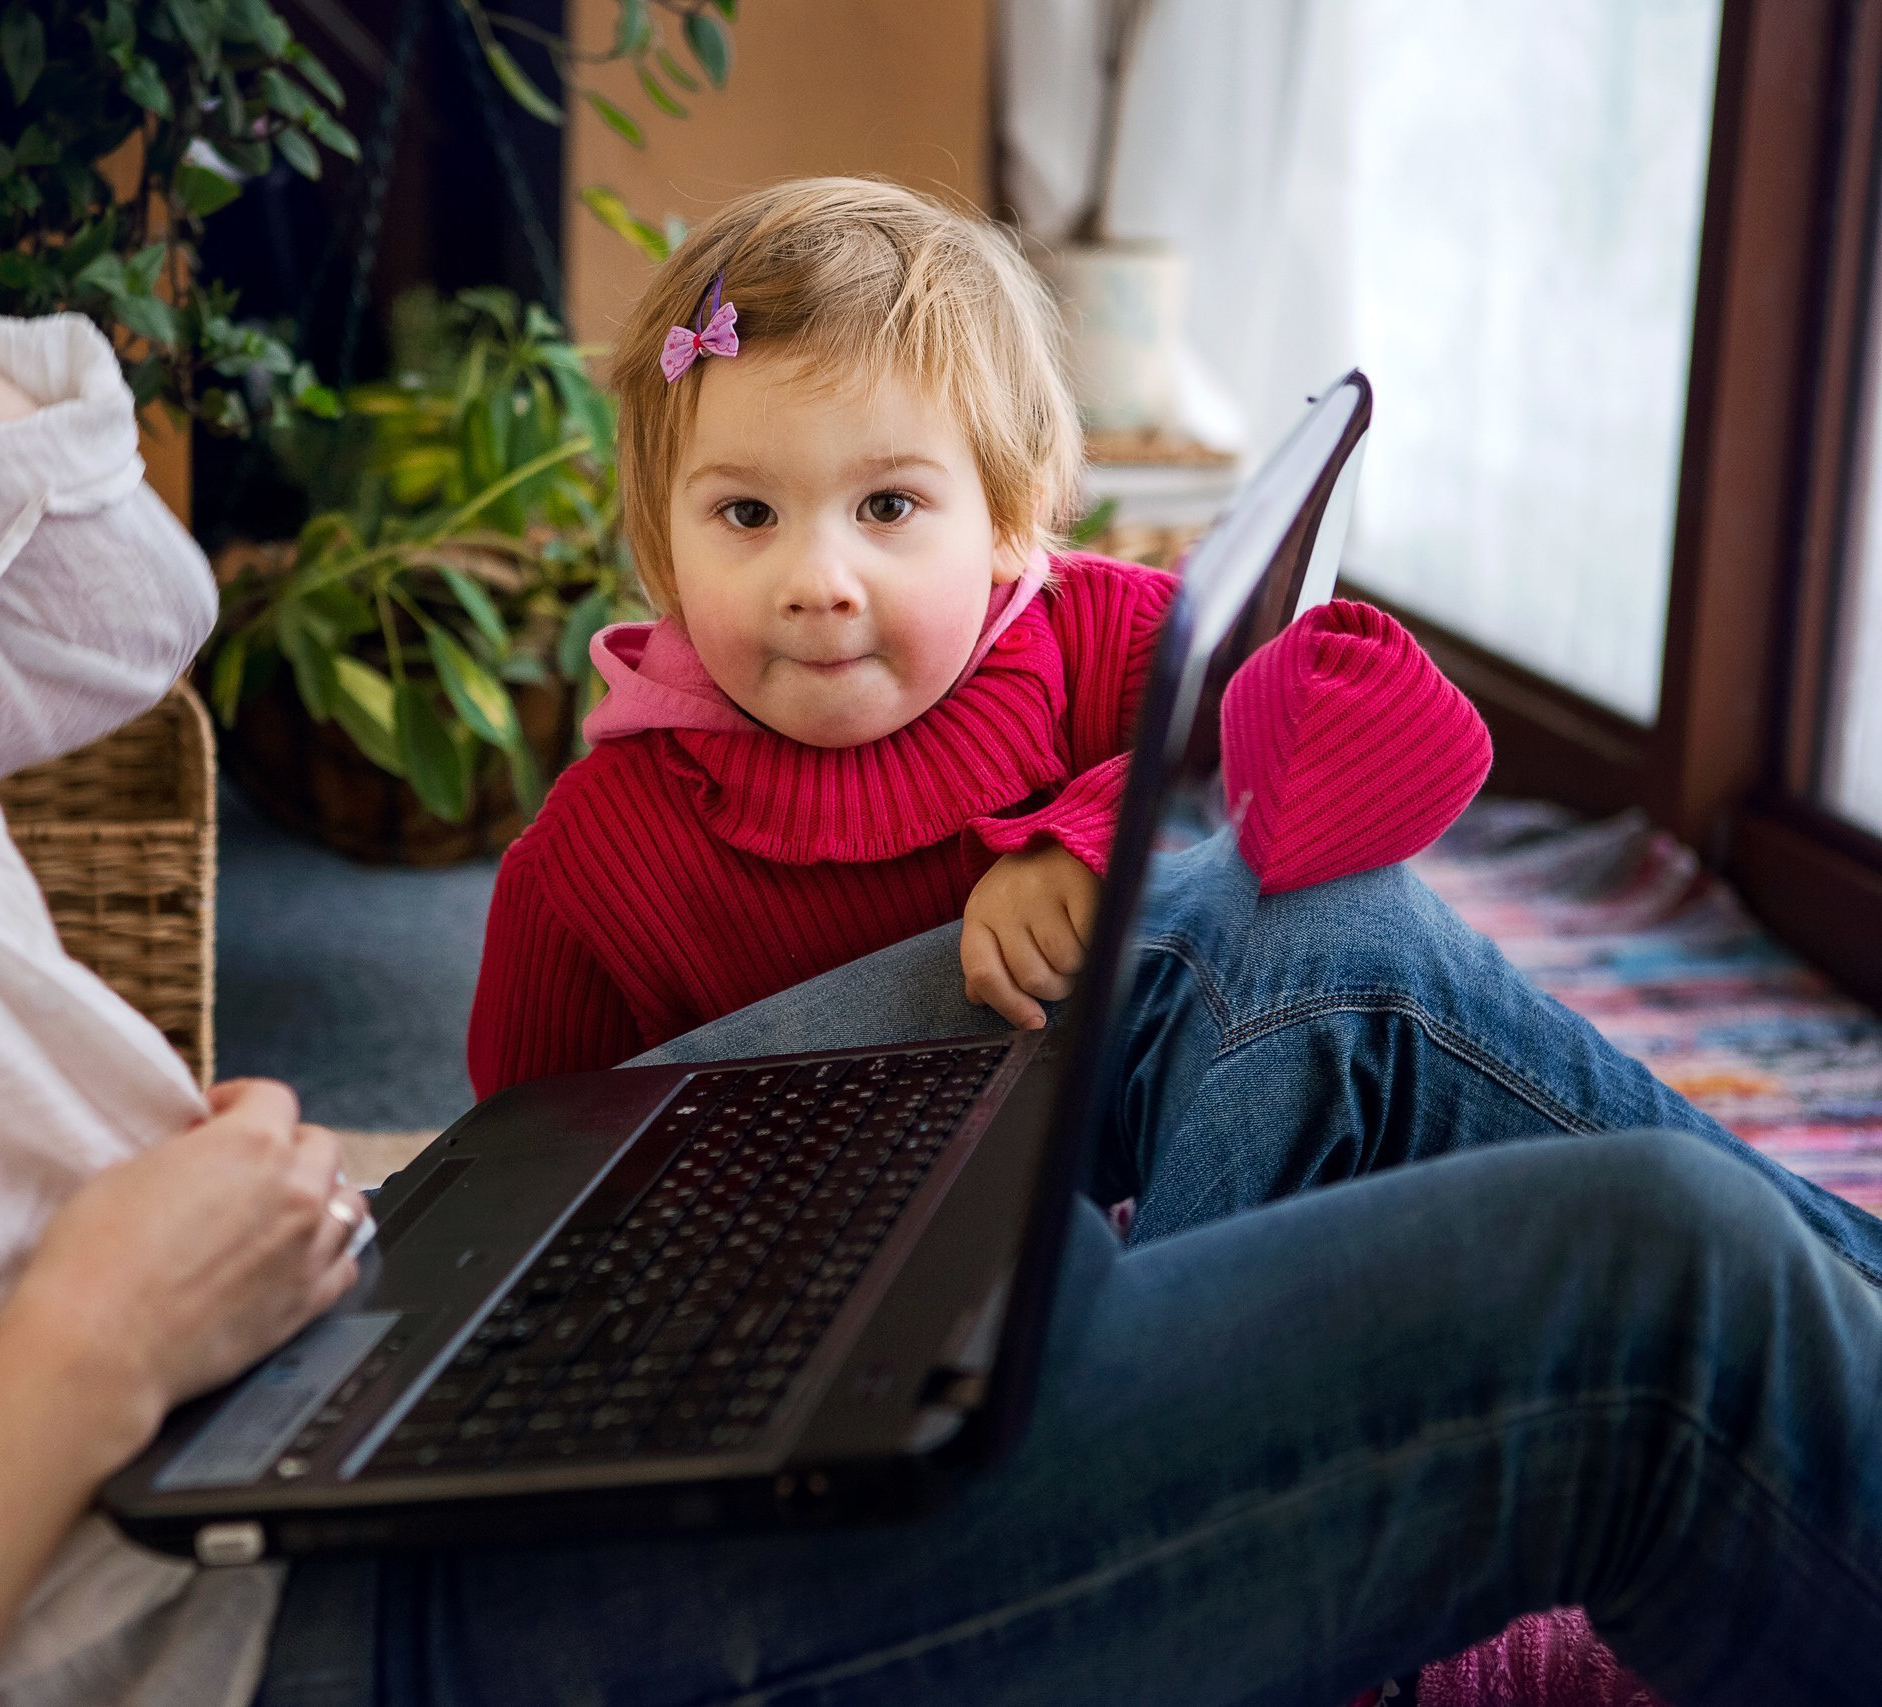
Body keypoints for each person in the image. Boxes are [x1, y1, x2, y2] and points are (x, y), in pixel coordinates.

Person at [0, 5, 1881, 1706]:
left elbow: (116, 602)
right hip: (255, 1616)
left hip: (325, 1332)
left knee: (1274, 940)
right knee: (1646, 1285)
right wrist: (82, 1341)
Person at [467, 179, 1491, 1098]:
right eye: (746, 514)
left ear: (1010, 517)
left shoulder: (1102, 641)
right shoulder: (588, 865)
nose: (817, 584)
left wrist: (1099, 840)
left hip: (1121, 1196)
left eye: (887, 506)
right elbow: (519, 1165)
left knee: (1350, 931)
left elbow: (1426, 744)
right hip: (814, 1235)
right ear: (661, 546)